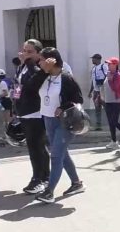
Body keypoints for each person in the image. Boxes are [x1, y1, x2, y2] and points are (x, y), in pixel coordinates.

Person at [35, 47, 85, 203]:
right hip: (47, 119)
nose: (39, 63)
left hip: (65, 121)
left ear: (52, 60)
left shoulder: (66, 78)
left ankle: (49, 191)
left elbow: (78, 100)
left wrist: (63, 107)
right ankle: (76, 183)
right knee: (62, 153)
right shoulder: (43, 77)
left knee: (56, 155)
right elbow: (30, 88)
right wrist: (43, 71)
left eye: (42, 60)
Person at [16, 39, 50, 193]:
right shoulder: (23, 67)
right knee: (33, 147)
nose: (25, 54)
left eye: (30, 52)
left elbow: (34, 83)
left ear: (38, 53)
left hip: (35, 112)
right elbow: (19, 86)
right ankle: (42, 176)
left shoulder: (38, 68)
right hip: (23, 111)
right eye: (24, 50)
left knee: (37, 147)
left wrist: (28, 62)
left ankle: (40, 178)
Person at [103, 57, 120, 150]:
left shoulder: (118, 75)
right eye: (108, 64)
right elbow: (105, 87)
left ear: (115, 65)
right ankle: (114, 141)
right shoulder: (108, 74)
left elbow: (116, 88)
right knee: (111, 122)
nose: (108, 65)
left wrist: (110, 80)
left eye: (110, 64)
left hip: (116, 101)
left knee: (114, 121)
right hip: (108, 101)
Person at [89, 53, 108, 130]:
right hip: (96, 91)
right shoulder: (93, 69)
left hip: (102, 91)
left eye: (93, 59)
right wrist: (90, 91)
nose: (92, 60)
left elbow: (107, 77)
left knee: (106, 107)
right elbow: (93, 81)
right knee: (97, 109)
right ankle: (98, 124)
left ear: (98, 59)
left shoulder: (103, 66)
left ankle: (111, 122)